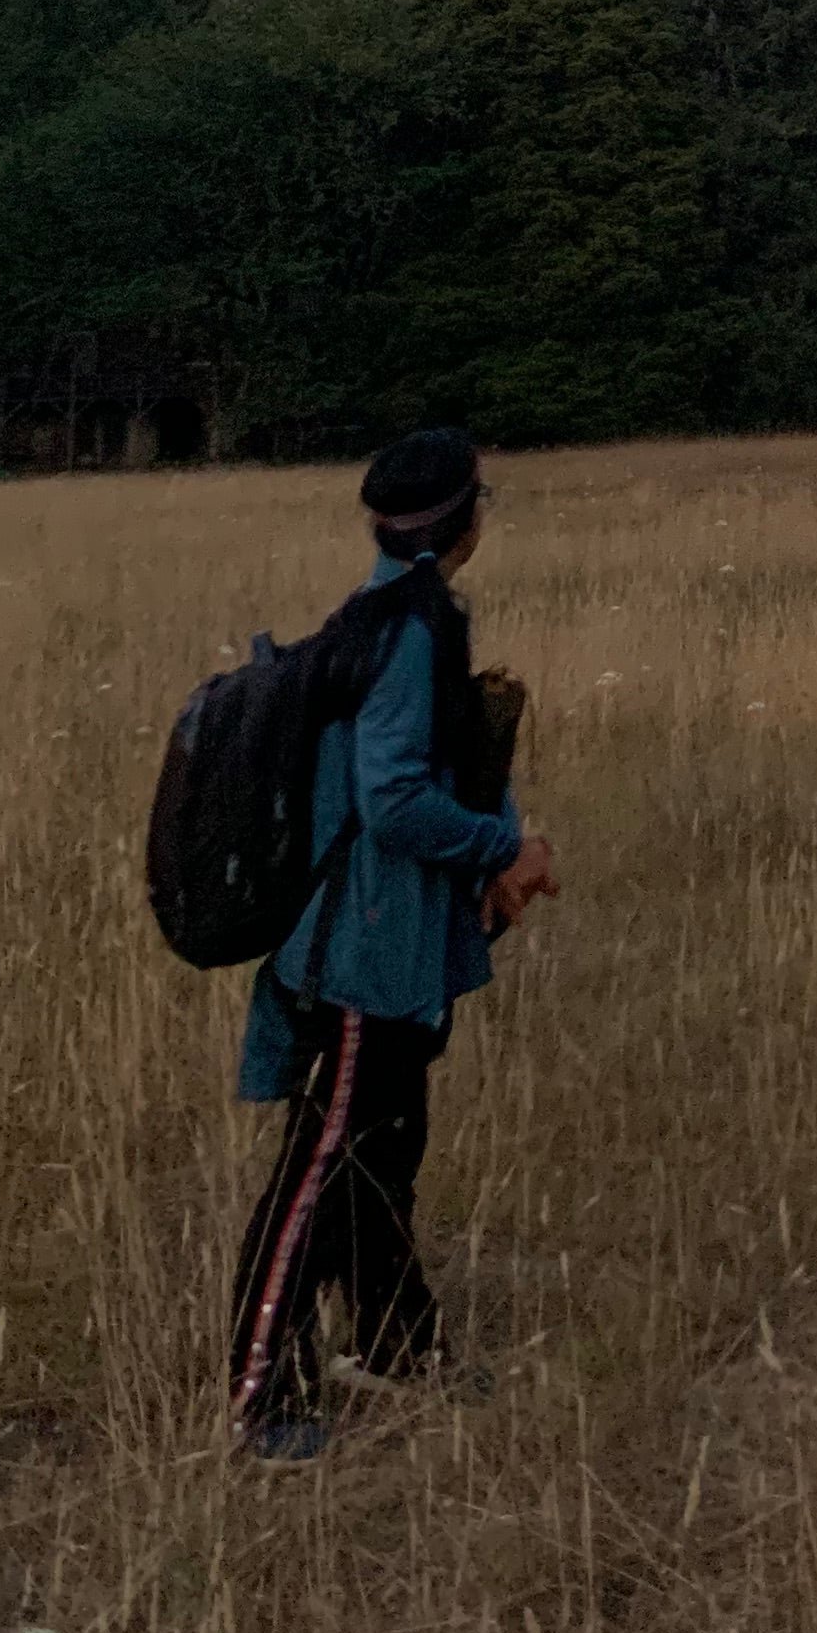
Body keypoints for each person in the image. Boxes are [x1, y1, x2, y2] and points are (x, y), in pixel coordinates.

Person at [226, 427, 559, 1462]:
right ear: (462, 524)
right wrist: (506, 845)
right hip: (366, 953)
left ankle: (395, 1345)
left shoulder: (391, 614)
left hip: (391, 950)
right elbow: (396, 799)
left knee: (382, 1155)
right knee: (325, 1166)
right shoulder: (410, 633)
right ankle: (257, 1394)